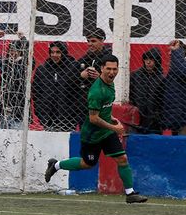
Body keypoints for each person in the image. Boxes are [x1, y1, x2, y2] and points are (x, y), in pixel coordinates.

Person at [44, 54, 148, 204]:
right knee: (87, 164)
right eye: (108, 69)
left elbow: (104, 109)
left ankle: (130, 193)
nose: (112, 72)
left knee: (122, 158)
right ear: (101, 69)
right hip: (92, 135)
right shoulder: (97, 91)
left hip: (106, 132)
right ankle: (56, 165)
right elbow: (93, 118)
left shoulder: (110, 84)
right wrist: (115, 127)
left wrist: (111, 118)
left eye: (115, 69)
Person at [0, 30, 31, 129]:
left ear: (20, 52)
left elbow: (29, 53)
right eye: (10, 50)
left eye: (15, 50)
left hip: (20, 113)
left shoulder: (26, 64)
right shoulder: (4, 64)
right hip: (4, 111)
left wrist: (23, 39)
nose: (12, 53)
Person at [32, 41, 80, 131]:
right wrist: (40, 112)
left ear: (64, 52)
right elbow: (36, 92)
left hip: (68, 118)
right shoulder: (42, 70)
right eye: (52, 52)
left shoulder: (73, 68)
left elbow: (78, 93)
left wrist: (74, 114)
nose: (54, 55)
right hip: (47, 118)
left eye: (58, 52)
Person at [75, 28, 112, 120]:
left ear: (102, 40)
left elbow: (116, 80)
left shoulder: (110, 58)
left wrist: (100, 77)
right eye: (88, 41)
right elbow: (69, 77)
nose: (90, 44)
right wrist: (81, 75)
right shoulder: (84, 58)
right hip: (84, 103)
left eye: (93, 41)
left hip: (103, 102)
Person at [128, 48, 165, 134]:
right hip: (137, 117)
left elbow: (163, 100)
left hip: (155, 120)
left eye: (151, 59)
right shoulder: (135, 75)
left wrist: (158, 115)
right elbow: (130, 93)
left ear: (157, 61)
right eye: (146, 59)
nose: (148, 62)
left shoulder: (162, 78)